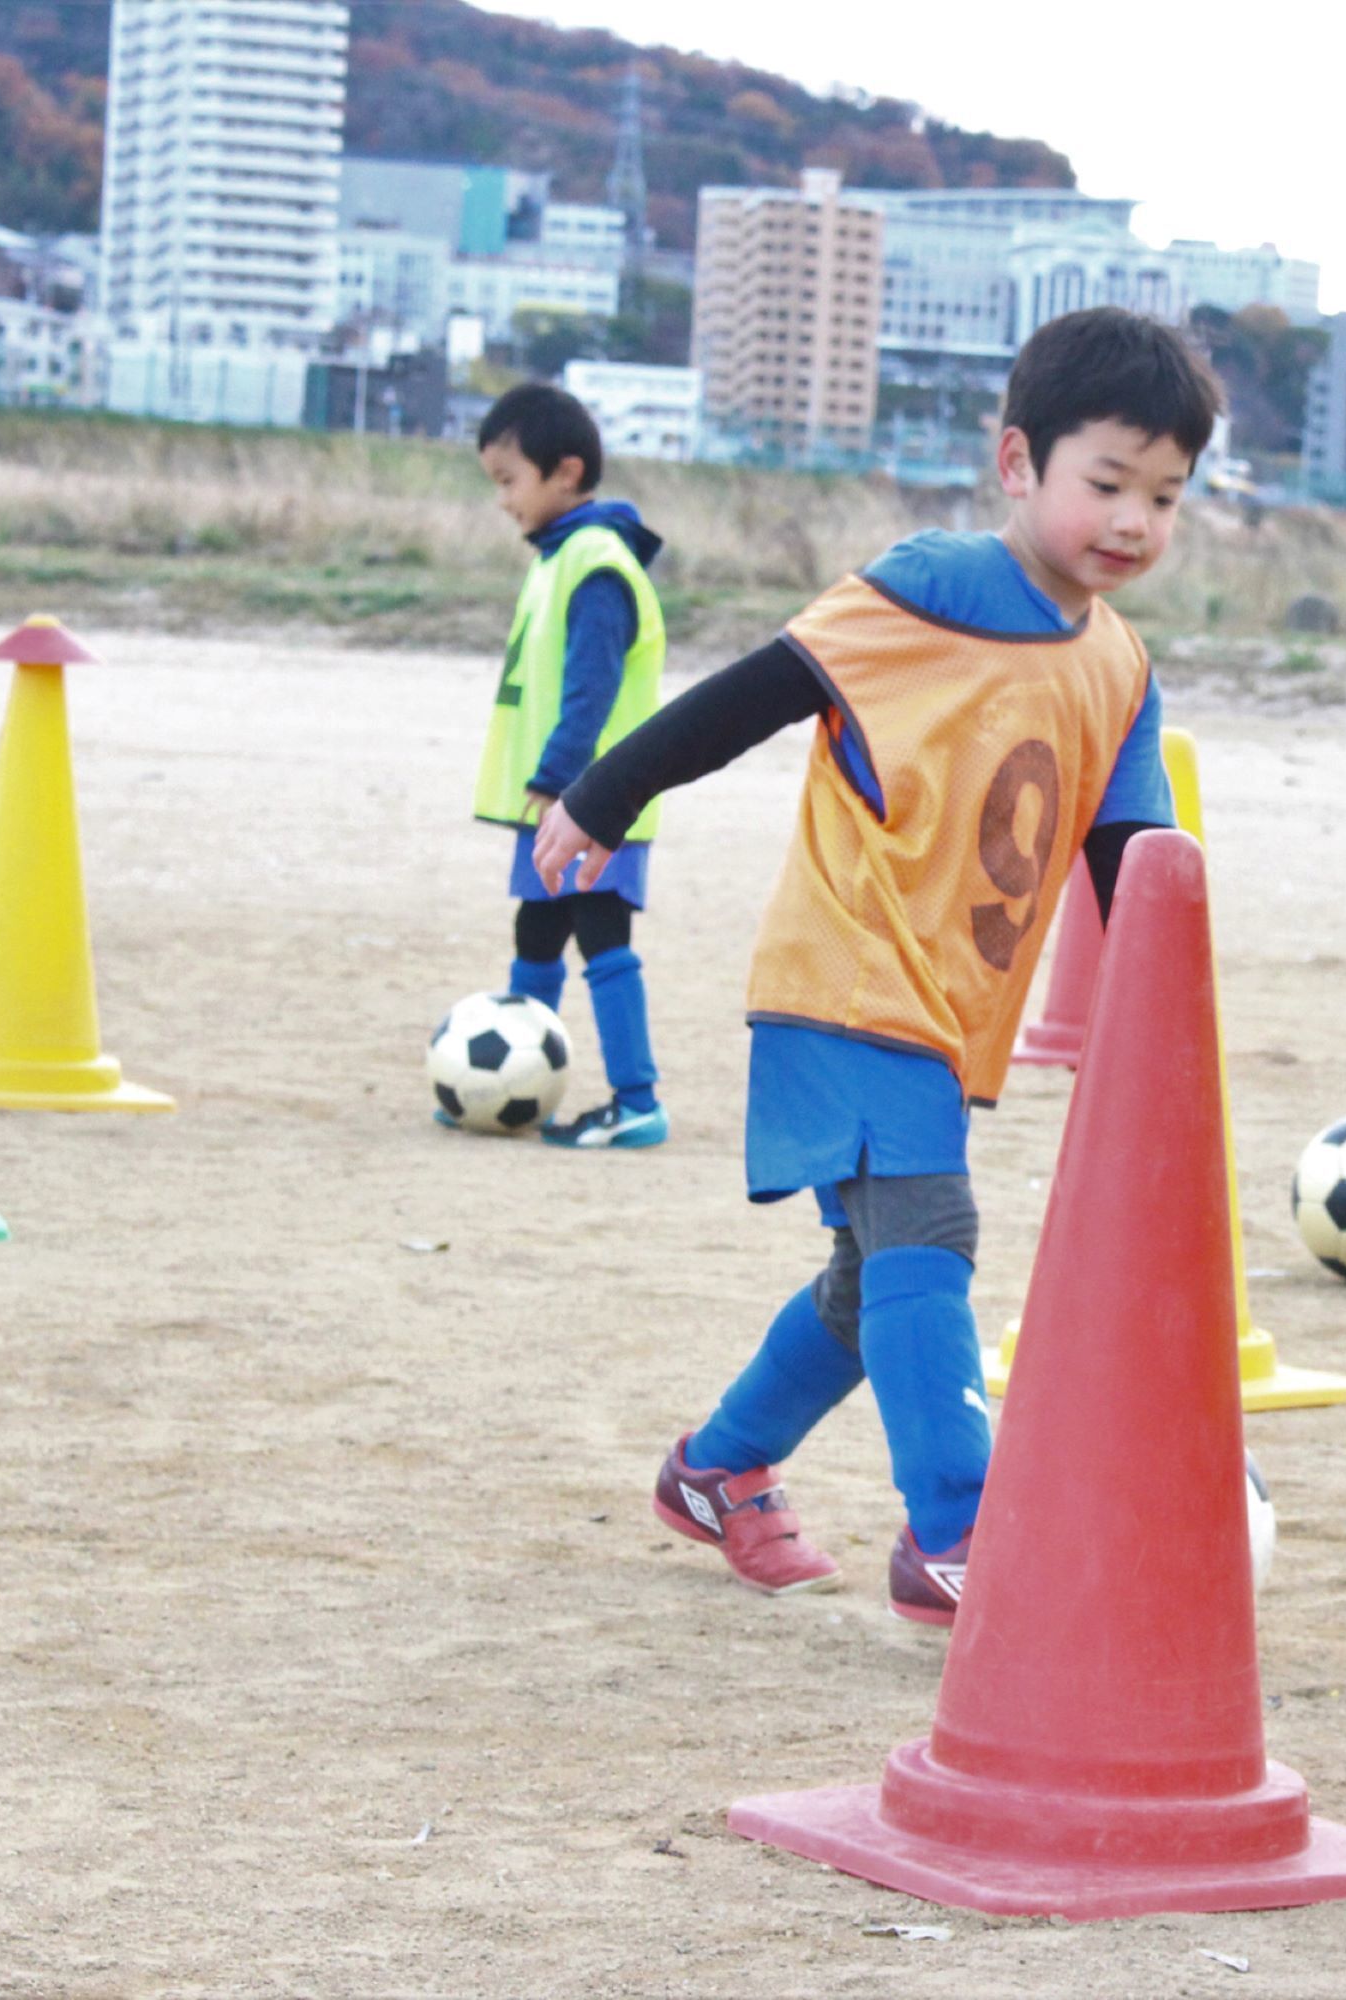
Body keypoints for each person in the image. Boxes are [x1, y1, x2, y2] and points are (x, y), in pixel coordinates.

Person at [529, 308, 1217, 1624]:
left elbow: (1130, 859)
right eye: (1108, 483)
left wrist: (1170, 1022)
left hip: (946, 1018)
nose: (1134, 520)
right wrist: (600, 796)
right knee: (932, 1236)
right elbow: (749, 696)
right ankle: (961, 1534)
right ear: (1018, 463)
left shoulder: (1122, 669)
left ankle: (717, 1468)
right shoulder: (929, 586)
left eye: (1166, 497)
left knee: (868, 1278)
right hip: (848, 975)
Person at [466, 382, 669, 1148]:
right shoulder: (559, 557)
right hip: (556, 804)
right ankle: (520, 1087)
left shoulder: (597, 564)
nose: (502, 500)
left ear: (567, 472)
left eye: (508, 480)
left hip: (591, 801)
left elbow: (592, 689)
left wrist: (561, 783)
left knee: (602, 934)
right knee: (537, 933)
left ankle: (638, 1099)